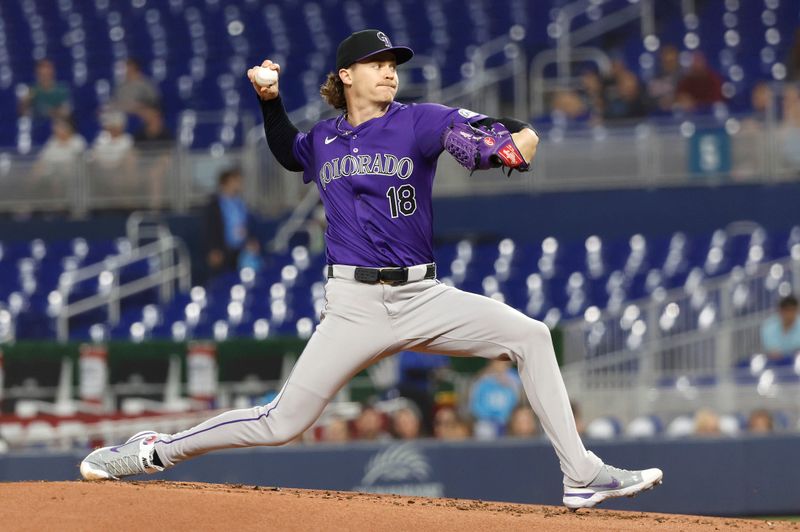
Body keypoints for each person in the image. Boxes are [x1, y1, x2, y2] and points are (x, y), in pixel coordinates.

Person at [80, 29, 662, 510]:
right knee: (281, 423)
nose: (388, 71)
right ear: (346, 77)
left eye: (393, 63)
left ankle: (581, 474)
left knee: (532, 336)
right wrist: (269, 101)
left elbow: (502, 135)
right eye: (375, 63)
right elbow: (289, 152)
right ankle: (157, 450)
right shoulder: (326, 139)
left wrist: (517, 137)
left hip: (424, 295)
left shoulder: (420, 120)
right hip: (354, 306)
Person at [204, 168, 251, 277]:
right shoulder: (214, 205)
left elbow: (246, 224)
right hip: (222, 251)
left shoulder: (240, 203)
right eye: (235, 181)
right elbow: (209, 229)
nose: (238, 184)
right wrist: (213, 249)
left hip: (240, 250)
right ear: (225, 183)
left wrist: (249, 240)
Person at [469, 359, 521, 439]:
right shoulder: (482, 379)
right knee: (483, 430)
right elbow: (474, 403)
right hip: (485, 421)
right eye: (497, 362)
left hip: (509, 420)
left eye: (504, 362)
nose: (501, 365)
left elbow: (518, 401)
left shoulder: (513, 378)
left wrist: (509, 382)